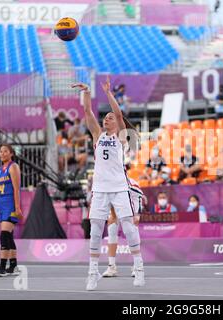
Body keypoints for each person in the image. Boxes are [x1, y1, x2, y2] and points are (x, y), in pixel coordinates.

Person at [72, 77, 145, 290]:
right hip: (100, 189)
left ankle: (139, 268)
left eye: (110, 118)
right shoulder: (98, 135)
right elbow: (87, 112)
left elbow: (119, 114)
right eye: (105, 117)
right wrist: (86, 92)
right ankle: (92, 272)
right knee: (96, 229)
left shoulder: (121, 136)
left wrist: (107, 93)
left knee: (129, 227)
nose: (107, 119)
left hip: (120, 188)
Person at [102, 178, 146, 278]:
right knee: (112, 228)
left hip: (132, 201)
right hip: (116, 204)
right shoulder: (106, 182)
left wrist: (137, 214)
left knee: (132, 230)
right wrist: (113, 216)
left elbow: (139, 195)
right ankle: (111, 266)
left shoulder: (129, 183)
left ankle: (138, 265)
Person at [0, 144, 23, 277]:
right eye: (0, 151)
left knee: (4, 234)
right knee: (9, 236)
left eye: (5, 151)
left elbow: (16, 189)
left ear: (11, 153)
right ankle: (13, 265)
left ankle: (2, 267)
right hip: (2, 205)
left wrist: (17, 207)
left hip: (11, 204)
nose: (2, 153)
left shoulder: (13, 167)